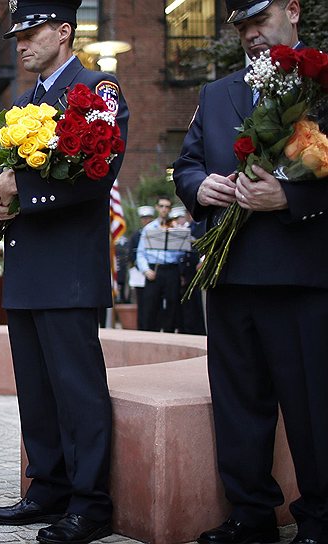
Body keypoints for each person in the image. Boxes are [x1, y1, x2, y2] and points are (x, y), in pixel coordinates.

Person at [173, 0, 328, 542]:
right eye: (242, 26)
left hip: (301, 273)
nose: (251, 34)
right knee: (238, 404)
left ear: (292, 11)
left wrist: (289, 196)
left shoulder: (323, 79)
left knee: (312, 406)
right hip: (231, 273)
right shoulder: (218, 93)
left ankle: (321, 517)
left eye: (260, 21)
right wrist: (199, 187)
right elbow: (188, 161)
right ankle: (250, 515)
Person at [0, 1, 129, 542]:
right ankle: (47, 488)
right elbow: (9, 178)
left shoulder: (98, 91)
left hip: (68, 266)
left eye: (32, 31)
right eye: (16, 35)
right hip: (26, 265)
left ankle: (89, 503)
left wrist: (24, 190)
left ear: (65, 31)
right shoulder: (25, 101)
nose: (21, 43)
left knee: (76, 390)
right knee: (36, 390)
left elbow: (96, 175)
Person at [135, 197, 185, 332]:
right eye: (161, 206)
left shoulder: (175, 228)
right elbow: (140, 253)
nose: (164, 209)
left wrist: (177, 236)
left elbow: (182, 253)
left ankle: (169, 333)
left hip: (171, 268)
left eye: (167, 207)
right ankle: (150, 334)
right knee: (151, 304)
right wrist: (146, 270)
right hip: (155, 269)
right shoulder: (149, 228)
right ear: (157, 207)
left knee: (172, 302)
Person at [127, 205, 156, 326]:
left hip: (153, 271)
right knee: (142, 301)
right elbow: (132, 254)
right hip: (140, 273)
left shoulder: (155, 233)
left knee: (152, 302)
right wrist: (142, 268)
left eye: (148, 218)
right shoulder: (136, 236)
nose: (146, 220)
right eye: (144, 218)